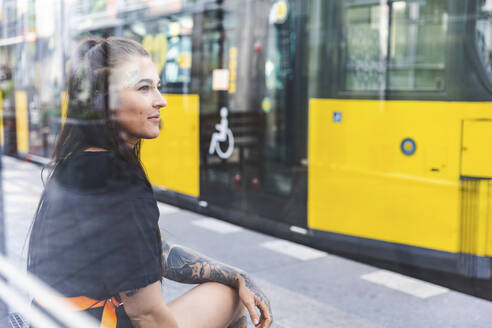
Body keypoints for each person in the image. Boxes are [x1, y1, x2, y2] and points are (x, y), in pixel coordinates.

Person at [27, 37, 272, 328]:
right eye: (144, 88)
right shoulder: (118, 181)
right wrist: (234, 283)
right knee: (228, 298)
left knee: (229, 285)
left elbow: (156, 249)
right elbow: (147, 314)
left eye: (157, 86)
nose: (161, 100)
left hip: (50, 318)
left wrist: (235, 274)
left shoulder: (78, 161)